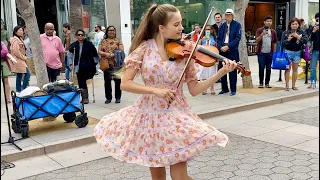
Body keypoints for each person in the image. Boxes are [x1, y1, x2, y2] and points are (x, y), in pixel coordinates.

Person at [94, 4, 237, 180]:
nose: (182, 28)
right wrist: (155, 90)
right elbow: (125, 83)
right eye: (176, 24)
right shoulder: (145, 49)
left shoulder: (186, 52)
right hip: (150, 119)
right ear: (162, 28)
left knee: (179, 178)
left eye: (181, 23)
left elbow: (194, 89)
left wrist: (221, 72)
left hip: (175, 116)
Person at [68, 29, 99, 104]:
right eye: (79, 35)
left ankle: (85, 97)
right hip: (78, 67)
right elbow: (70, 56)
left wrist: (95, 64)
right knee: (81, 81)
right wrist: (71, 64)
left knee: (84, 79)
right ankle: (85, 98)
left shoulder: (89, 44)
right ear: (76, 36)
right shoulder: (74, 45)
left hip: (89, 66)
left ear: (84, 35)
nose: (80, 36)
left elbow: (95, 55)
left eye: (82, 35)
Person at [217, 9, 241, 96]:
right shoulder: (222, 26)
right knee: (222, 69)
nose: (228, 16)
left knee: (232, 70)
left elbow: (238, 38)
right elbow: (218, 38)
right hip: (223, 50)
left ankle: (233, 89)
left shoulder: (237, 25)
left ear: (232, 16)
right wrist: (220, 47)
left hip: (232, 50)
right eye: (227, 15)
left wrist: (228, 46)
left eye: (230, 15)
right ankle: (224, 88)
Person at [98, 26, 124, 104]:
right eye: (110, 30)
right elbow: (99, 51)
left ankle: (118, 97)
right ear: (107, 32)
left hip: (117, 64)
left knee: (118, 81)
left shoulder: (118, 40)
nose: (111, 32)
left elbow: (121, 50)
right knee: (107, 81)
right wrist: (107, 54)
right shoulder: (103, 41)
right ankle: (108, 98)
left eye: (113, 30)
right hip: (106, 64)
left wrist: (113, 54)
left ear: (115, 32)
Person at [281, 18, 308, 91]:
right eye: (293, 24)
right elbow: (282, 43)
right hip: (288, 52)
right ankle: (287, 85)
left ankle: (294, 85)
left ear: (298, 25)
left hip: (297, 52)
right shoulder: (286, 32)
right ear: (290, 25)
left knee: (295, 70)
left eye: (296, 24)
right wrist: (288, 40)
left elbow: (306, 40)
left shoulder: (301, 32)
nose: (294, 25)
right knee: (287, 69)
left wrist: (298, 37)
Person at [255, 15, 278, 88]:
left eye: (270, 21)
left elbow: (274, 42)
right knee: (261, 68)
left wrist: (274, 52)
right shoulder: (259, 30)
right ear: (264, 22)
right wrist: (262, 34)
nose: (269, 22)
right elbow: (257, 40)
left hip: (270, 53)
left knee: (268, 69)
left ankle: (267, 83)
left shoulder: (273, 32)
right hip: (261, 53)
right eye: (267, 21)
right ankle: (261, 83)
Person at [10, 26, 31, 92]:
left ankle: (18, 90)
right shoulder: (15, 40)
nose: (22, 32)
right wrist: (24, 57)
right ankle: (23, 89)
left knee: (19, 75)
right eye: (20, 30)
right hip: (18, 60)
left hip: (20, 60)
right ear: (15, 32)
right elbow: (16, 51)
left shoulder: (20, 39)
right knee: (27, 73)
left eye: (22, 30)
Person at [199, 25, 218, 95]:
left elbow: (217, 47)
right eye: (206, 29)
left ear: (212, 30)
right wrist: (201, 40)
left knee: (212, 73)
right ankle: (204, 89)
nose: (208, 31)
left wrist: (215, 44)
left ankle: (212, 88)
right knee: (204, 72)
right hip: (204, 56)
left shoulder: (214, 37)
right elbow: (198, 47)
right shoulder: (202, 38)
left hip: (212, 56)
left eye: (209, 29)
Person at [308, 12, 319, 89]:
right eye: (317, 19)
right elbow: (310, 39)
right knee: (313, 67)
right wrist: (314, 31)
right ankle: (313, 82)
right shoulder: (313, 28)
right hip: (315, 49)